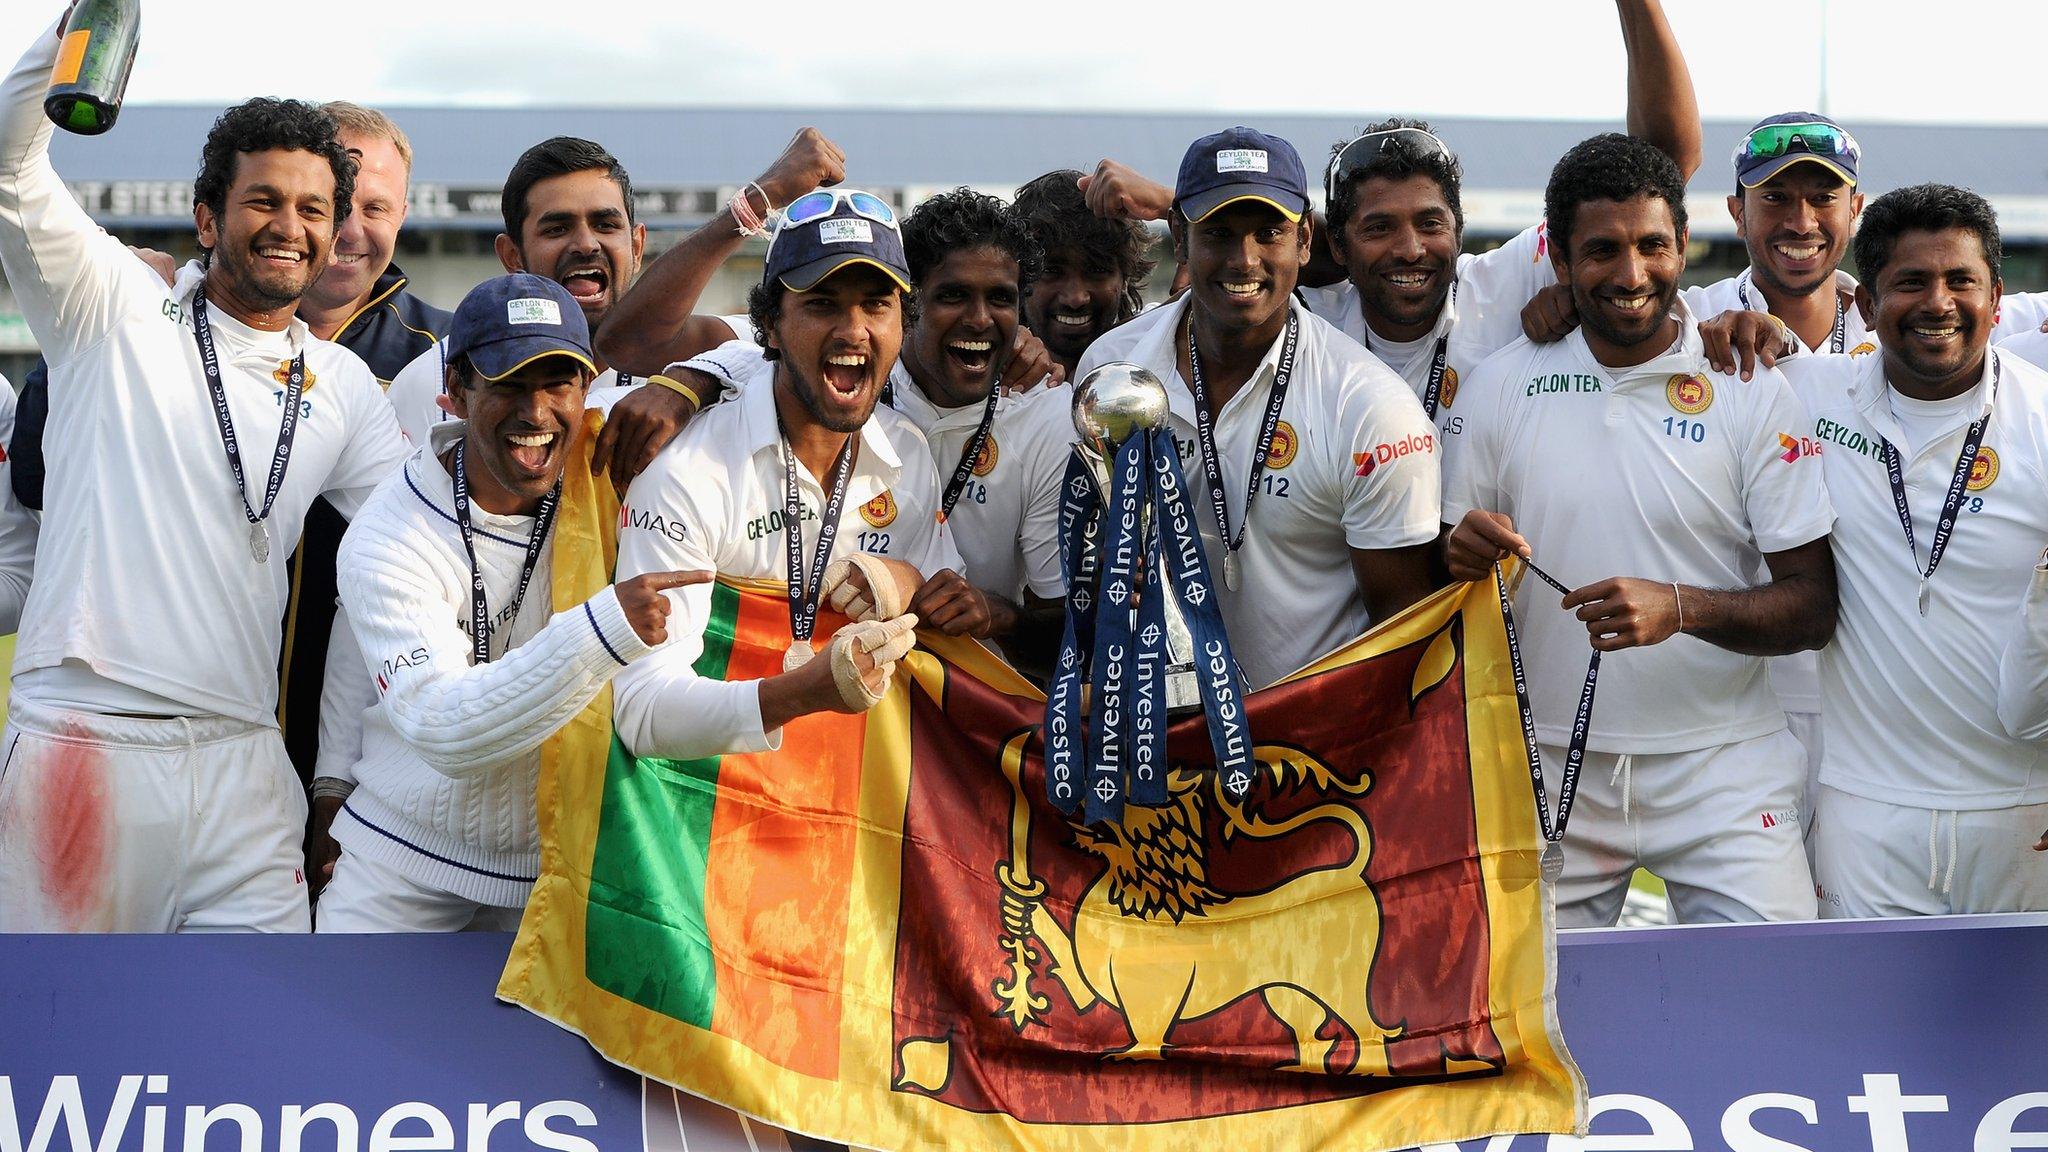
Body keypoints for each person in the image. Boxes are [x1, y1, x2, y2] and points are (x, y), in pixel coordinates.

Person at [0, 16, 409, 932]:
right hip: (88, 742)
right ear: (207, 217)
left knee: (255, 1053)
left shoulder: (341, 383)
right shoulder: (111, 306)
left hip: (247, 764)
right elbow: (8, 168)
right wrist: (75, 27)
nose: (290, 228)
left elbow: (413, 544)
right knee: (59, 1050)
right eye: (264, 201)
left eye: (312, 208)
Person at [1441, 133, 1837, 927]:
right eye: (1603, 250)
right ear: (1558, 258)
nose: (1631, 275)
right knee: (1541, 1034)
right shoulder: (1499, 384)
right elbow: (1446, 583)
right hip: (1546, 763)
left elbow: (1812, 607)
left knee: (1778, 1012)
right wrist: (1459, 557)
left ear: (1684, 245)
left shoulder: (1747, 383)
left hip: (1725, 769)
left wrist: (1681, 607)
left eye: (1654, 245)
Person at [317, 274, 697, 931]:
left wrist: (692, 383)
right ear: (456, 392)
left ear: (588, 389)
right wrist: (603, 632)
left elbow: (759, 356)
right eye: (511, 384)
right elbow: (445, 731)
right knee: (331, 1037)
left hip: (560, 867)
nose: (537, 411)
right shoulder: (385, 535)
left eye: (558, 383)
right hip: (402, 863)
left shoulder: (607, 462)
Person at [1075, 127, 1442, 690]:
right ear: (1179, 232)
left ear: (1304, 240)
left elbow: (1402, 638)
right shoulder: (1114, 368)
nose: (1243, 260)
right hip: (1153, 742)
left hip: (1312, 755)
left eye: (1268, 233)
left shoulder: (1371, 405)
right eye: (1218, 233)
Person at [610, 192, 959, 760]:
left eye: (876, 305)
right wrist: (805, 692)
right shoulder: (686, 471)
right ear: (769, 326)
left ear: (904, 323)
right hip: (708, 820)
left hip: (846, 820)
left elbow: (948, 619)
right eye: (822, 304)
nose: (854, 331)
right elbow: (642, 711)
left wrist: (907, 582)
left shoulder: (908, 453)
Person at [1776, 185, 2048, 915]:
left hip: (2026, 812)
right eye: (1911, 282)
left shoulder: (2043, 418)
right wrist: (1712, 329)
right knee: (1855, 1028)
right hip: (1866, 813)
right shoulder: (1803, 394)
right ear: (1864, 305)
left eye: (1961, 280)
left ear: (1997, 296)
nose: (1939, 302)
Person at [1310, 1, 1699, 428]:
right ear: (1335, 243)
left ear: (1459, 230)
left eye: (1430, 223)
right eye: (1379, 227)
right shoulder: (1307, 320)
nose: (1410, 249)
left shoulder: (1499, 283)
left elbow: (1659, 168)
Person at [1010, 169, 1156, 379]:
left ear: (1125, 277)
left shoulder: (1159, 345)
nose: (1076, 298)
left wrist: (1169, 203)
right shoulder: (985, 371)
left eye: (1097, 270)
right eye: (1051, 271)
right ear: (1017, 278)